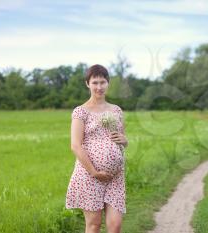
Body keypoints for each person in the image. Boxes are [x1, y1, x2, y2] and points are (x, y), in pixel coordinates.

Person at [65, 64, 128, 233]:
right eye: (95, 82)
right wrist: (94, 171)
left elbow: (122, 140)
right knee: (94, 225)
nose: (99, 87)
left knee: (115, 226)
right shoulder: (81, 112)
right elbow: (75, 145)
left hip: (115, 176)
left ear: (108, 83)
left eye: (103, 82)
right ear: (88, 84)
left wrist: (124, 140)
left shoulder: (116, 110)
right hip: (90, 175)